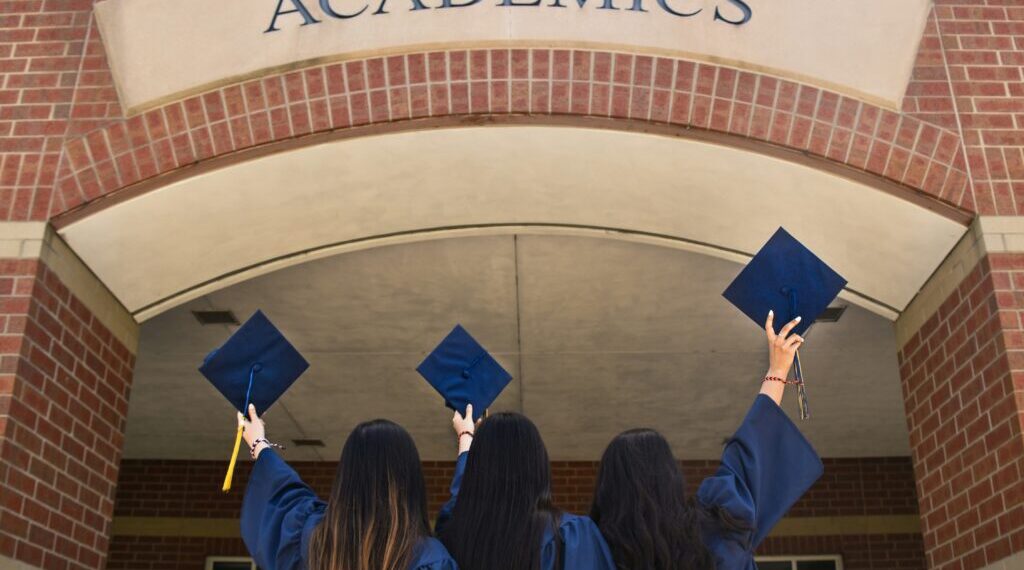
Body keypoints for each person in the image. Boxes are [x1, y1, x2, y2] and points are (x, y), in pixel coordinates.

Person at [590, 312, 824, 569]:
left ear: (606, 487)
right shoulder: (715, 533)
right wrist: (778, 369)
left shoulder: (584, 551)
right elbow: (750, 454)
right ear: (670, 477)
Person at [237, 406, 458, 570]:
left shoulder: (313, 539)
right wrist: (466, 439)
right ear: (410, 483)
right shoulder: (429, 559)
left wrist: (258, 443)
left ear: (347, 477)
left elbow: (282, 495)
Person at [436, 405, 616, 570]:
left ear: (476, 470)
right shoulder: (570, 536)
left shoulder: (454, 534)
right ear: (538, 464)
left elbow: (459, 502)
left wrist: (466, 439)